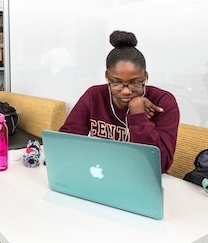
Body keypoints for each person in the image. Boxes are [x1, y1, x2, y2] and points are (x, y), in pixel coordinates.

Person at [59, 31, 180, 173]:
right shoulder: (94, 95)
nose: (126, 91)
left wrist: (138, 114)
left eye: (135, 83)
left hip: (140, 177)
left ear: (145, 76)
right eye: (116, 83)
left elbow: (160, 165)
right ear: (107, 77)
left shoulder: (163, 102)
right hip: (100, 171)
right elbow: (66, 143)